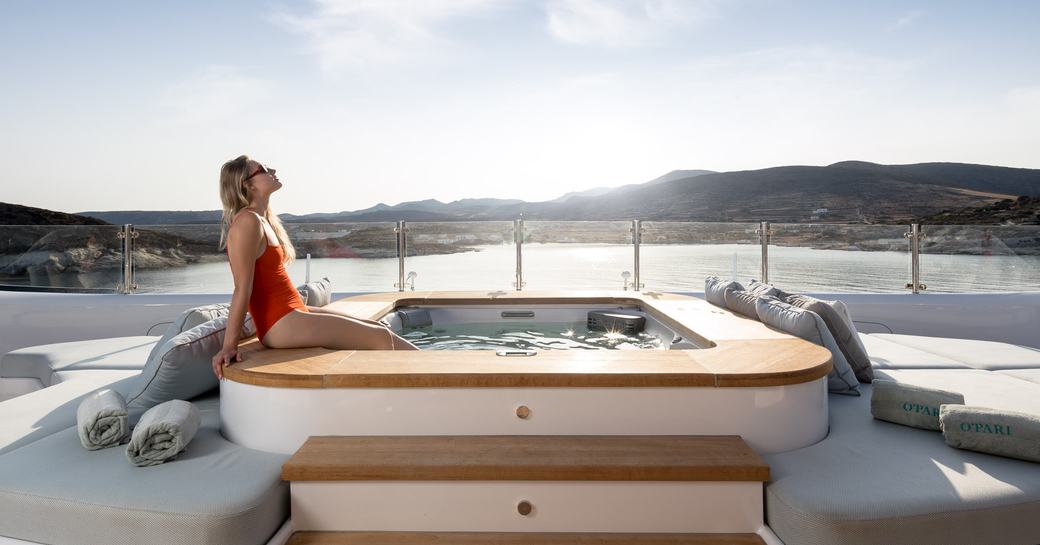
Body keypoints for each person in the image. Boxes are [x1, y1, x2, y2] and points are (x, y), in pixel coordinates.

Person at [211, 155, 417, 379]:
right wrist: (229, 345)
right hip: (279, 324)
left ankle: (440, 369)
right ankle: (429, 384)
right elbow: (242, 288)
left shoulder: (262, 220)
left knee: (380, 330)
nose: (272, 169)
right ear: (248, 184)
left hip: (292, 313)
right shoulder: (247, 222)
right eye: (262, 169)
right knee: (379, 338)